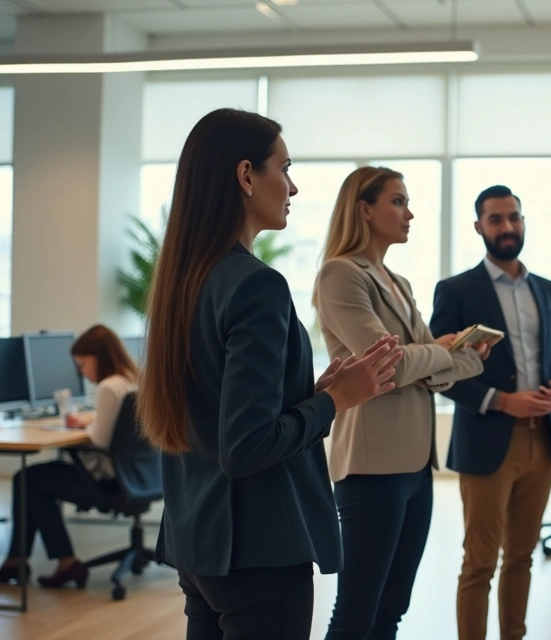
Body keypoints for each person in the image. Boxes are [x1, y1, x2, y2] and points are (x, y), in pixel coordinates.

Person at [138, 108, 403, 639]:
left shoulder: (180, 283)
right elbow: (246, 445)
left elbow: (222, 413)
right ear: (245, 176)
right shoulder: (257, 285)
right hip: (259, 548)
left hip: (200, 545)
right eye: (284, 167)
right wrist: (333, 402)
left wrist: (311, 394)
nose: (293, 186)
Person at [314, 166, 489, 639]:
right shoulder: (341, 274)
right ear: (364, 209)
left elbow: (431, 375)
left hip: (415, 467)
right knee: (355, 614)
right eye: (398, 201)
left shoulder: (400, 283)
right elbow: (387, 365)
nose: (409, 213)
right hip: (371, 468)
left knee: (391, 610)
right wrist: (444, 355)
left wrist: (447, 359)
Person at [429, 184, 551, 640]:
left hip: (543, 441)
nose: (507, 227)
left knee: (522, 556)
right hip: (488, 440)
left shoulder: (547, 290)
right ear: (479, 227)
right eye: (496, 219)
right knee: (479, 563)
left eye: (514, 217)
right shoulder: (455, 291)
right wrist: (501, 400)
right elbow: (440, 372)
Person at [0, 324, 138, 589]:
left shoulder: (109, 386)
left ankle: (62, 560)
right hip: (136, 477)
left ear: (100, 357)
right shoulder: (131, 380)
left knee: (28, 479)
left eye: (83, 364)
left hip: (107, 480)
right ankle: (16, 560)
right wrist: (89, 423)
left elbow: (100, 440)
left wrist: (82, 427)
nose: (81, 372)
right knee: (32, 479)